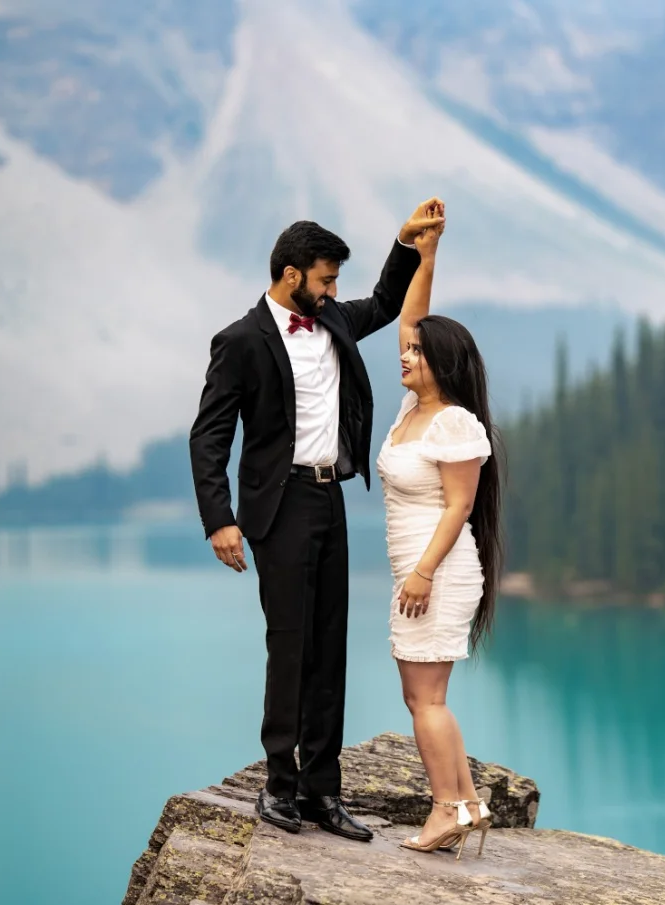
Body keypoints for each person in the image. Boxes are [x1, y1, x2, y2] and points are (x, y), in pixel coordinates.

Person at [188, 199, 446, 841]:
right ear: (289, 274)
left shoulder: (330, 320)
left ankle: (321, 794)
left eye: (335, 281)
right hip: (279, 508)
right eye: (326, 279)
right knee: (291, 645)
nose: (335, 291)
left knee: (330, 650)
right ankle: (278, 787)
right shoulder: (241, 341)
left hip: (331, 499)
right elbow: (209, 436)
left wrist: (407, 241)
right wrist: (219, 518)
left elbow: (387, 302)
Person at [375, 217, 505, 858]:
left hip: (439, 569)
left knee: (424, 698)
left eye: (418, 353)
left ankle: (444, 809)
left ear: (441, 364)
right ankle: (469, 803)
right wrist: (424, 254)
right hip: (421, 569)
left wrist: (423, 572)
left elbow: (460, 505)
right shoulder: (413, 409)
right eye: (408, 349)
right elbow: (410, 320)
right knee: (424, 695)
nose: (406, 353)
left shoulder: (452, 422)